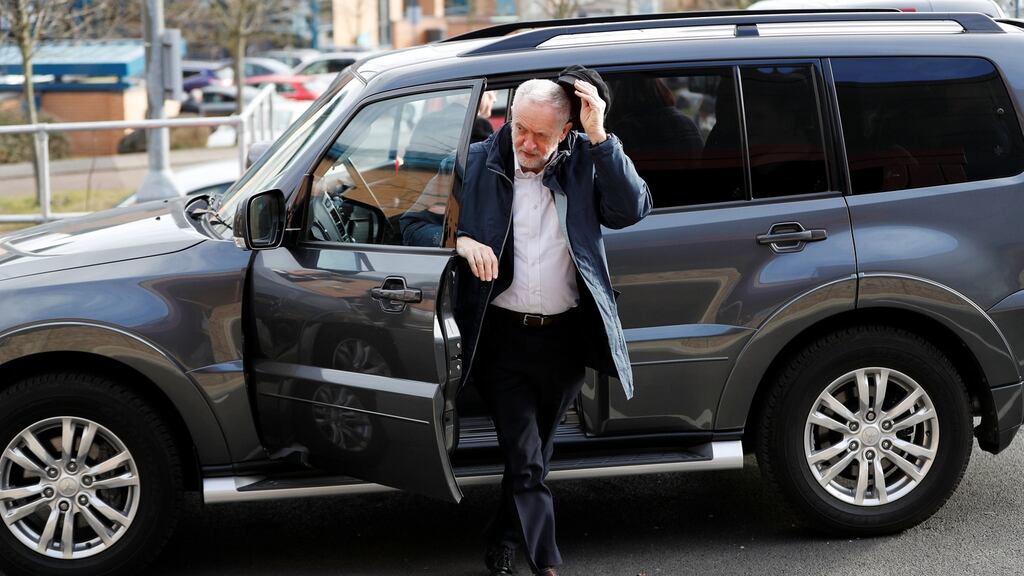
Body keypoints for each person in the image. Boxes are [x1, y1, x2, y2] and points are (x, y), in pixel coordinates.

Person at [455, 70, 651, 576]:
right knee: (524, 457)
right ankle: (546, 561)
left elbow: (632, 208)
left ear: (567, 131)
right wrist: (459, 240)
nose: (525, 142)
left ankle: (501, 538)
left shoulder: (586, 160)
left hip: (563, 340)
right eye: (519, 127)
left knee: (534, 456)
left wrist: (601, 137)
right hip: (499, 339)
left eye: (541, 134)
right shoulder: (476, 161)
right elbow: (416, 221)